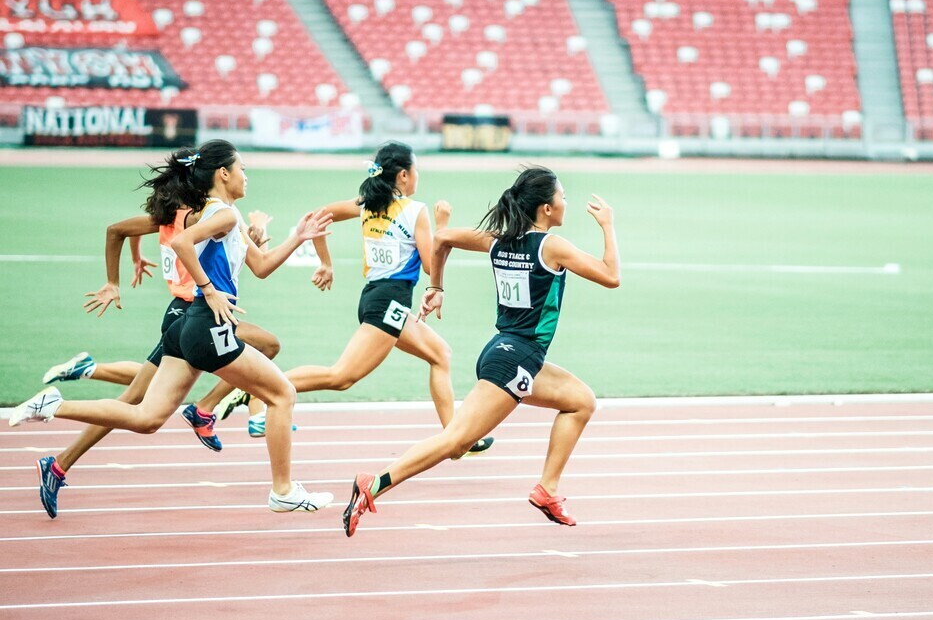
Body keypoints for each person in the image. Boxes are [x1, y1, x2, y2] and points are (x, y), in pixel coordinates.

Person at [12, 139, 334, 514]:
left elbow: (260, 266)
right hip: (204, 324)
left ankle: (54, 405)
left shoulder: (226, 215)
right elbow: (180, 242)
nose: (248, 175)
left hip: (188, 326)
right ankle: (282, 490)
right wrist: (210, 290)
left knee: (146, 417)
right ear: (223, 173)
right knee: (282, 394)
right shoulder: (222, 215)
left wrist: (298, 237)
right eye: (243, 168)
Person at [340, 166, 620, 536]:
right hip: (515, 359)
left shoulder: (497, 240)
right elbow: (611, 276)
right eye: (562, 196)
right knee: (455, 443)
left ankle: (547, 489)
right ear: (546, 209)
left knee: (581, 401)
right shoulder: (551, 246)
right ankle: (374, 483)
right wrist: (608, 226)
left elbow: (443, 239)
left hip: (509, 353)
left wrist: (436, 286)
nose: (565, 201)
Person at [31, 183, 281, 517]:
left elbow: (125, 230)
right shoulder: (192, 217)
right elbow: (119, 231)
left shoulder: (181, 216)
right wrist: (115, 281)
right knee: (264, 346)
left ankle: (60, 463)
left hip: (192, 314)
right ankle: (204, 409)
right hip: (191, 312)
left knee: (136, 399)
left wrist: (137, 256)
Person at [258, 142, 493, 455]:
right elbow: (429, 264)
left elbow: (316, 216)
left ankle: (456, 440)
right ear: (405, 176)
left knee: (440, 354)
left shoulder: (367, 203)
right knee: (341, 377)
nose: (418, 175)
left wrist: (325, 262)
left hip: (377, 299)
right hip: (391, 303)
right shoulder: (415, 211)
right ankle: (259, 387)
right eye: (416, 170)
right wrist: (443, 226)